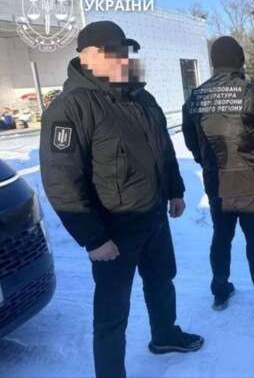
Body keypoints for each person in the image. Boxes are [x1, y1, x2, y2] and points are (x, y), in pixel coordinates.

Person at [40, 21, 203, 378]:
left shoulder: (140, 97)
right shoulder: (70, 108)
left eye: (125, 51)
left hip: (153, 216)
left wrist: (175, 189)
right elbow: (61, 180)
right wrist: (93, 238)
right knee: (112, 309)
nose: (124, 59)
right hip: (113, 230)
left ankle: (164, 335)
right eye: (115, 52)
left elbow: (163, 148)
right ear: (89, 56)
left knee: (162, 280)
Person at [182, 36, 254, 317]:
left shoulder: (195, 97)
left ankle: (220, 292)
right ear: (240, 60)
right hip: (251, 182)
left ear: (213, 62)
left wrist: (207, 163)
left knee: (221, 237)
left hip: (217, 182)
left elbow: (191, 141)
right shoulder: (252, 93)